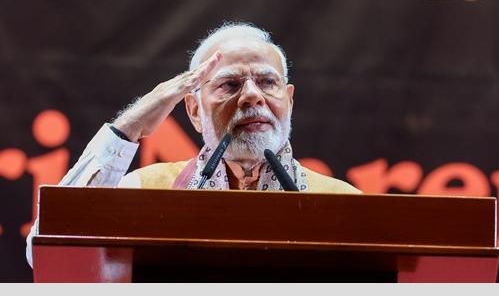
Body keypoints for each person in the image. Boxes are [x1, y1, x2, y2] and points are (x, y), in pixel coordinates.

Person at [25, 22, 361, 268]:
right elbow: (44, 250)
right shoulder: (146, 190)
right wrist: (130, 125)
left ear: (288, 101)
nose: (251, 97)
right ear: (194, 111)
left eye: (267, 82)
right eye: (229, 84)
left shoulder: (344, 203)